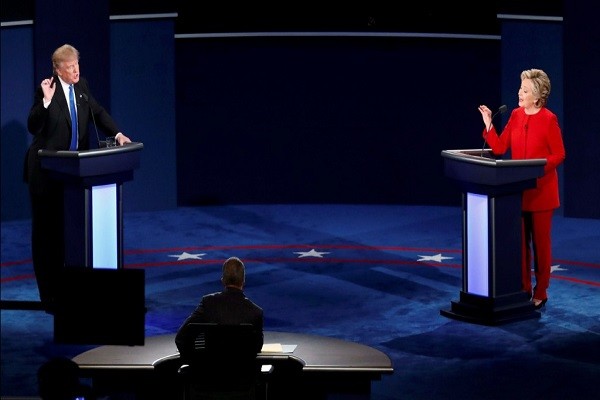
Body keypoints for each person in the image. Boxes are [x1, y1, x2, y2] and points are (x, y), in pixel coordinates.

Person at [24, 43, 132, 313]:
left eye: (77, 65)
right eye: (70, 67)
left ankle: (68, 290)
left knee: (65, 236)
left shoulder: (82, 87)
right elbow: (33, 125)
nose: (75, 70)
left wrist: (117, 134)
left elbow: (98, 113)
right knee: (46, 238)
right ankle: (48, 297)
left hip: (73, 175)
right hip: (46, 175)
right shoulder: (46, 89)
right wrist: (46, 101)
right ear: (58, 69)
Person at [478, 68, 566, 310]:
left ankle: (541, 290)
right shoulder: (516, 115)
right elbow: (498, 148)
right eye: (520, 88)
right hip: (518, 193)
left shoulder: (549, 119)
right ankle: (524, 288)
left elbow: (559, 154)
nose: (519, 92)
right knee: (520, 245)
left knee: (540, 245)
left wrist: (536, 170)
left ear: (537, 97)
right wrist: (488, 124)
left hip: (541, 192)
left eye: (525, 90)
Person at [175, 256, 264, 355]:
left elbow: (181, 338)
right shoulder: (256, 312)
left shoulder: (208, 303)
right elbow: (256, 350)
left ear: (223, 280)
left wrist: (197, 364)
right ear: (243, 281)